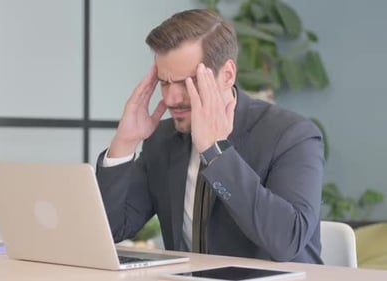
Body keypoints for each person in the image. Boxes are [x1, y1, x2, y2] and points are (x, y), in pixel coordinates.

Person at [95, 9, 324, 264]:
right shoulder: (162, 139)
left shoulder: (292, 135)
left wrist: (216, 153)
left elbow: (287, 240)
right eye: (165, 82)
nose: (171, 99)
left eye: (187, 82)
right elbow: (112, 229)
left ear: (226, 75)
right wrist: (124, 144)